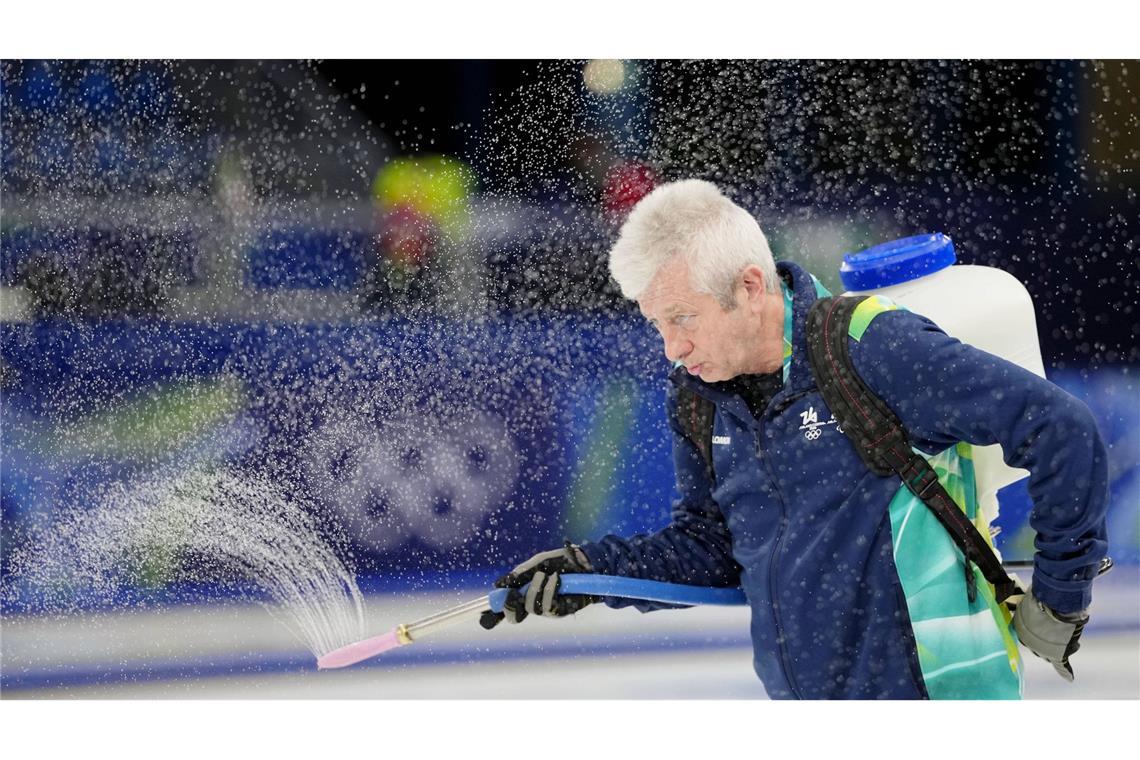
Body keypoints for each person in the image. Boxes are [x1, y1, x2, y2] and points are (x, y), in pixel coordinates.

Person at [480, 179, 1109, 699]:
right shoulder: (699, 397)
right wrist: (590, 573)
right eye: (657, 324)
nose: (673, 348)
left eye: (683, 318)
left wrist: (1060, 599)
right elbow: (714, 550)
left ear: (750, 288)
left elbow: (1064, 431)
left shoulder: (865, 347)